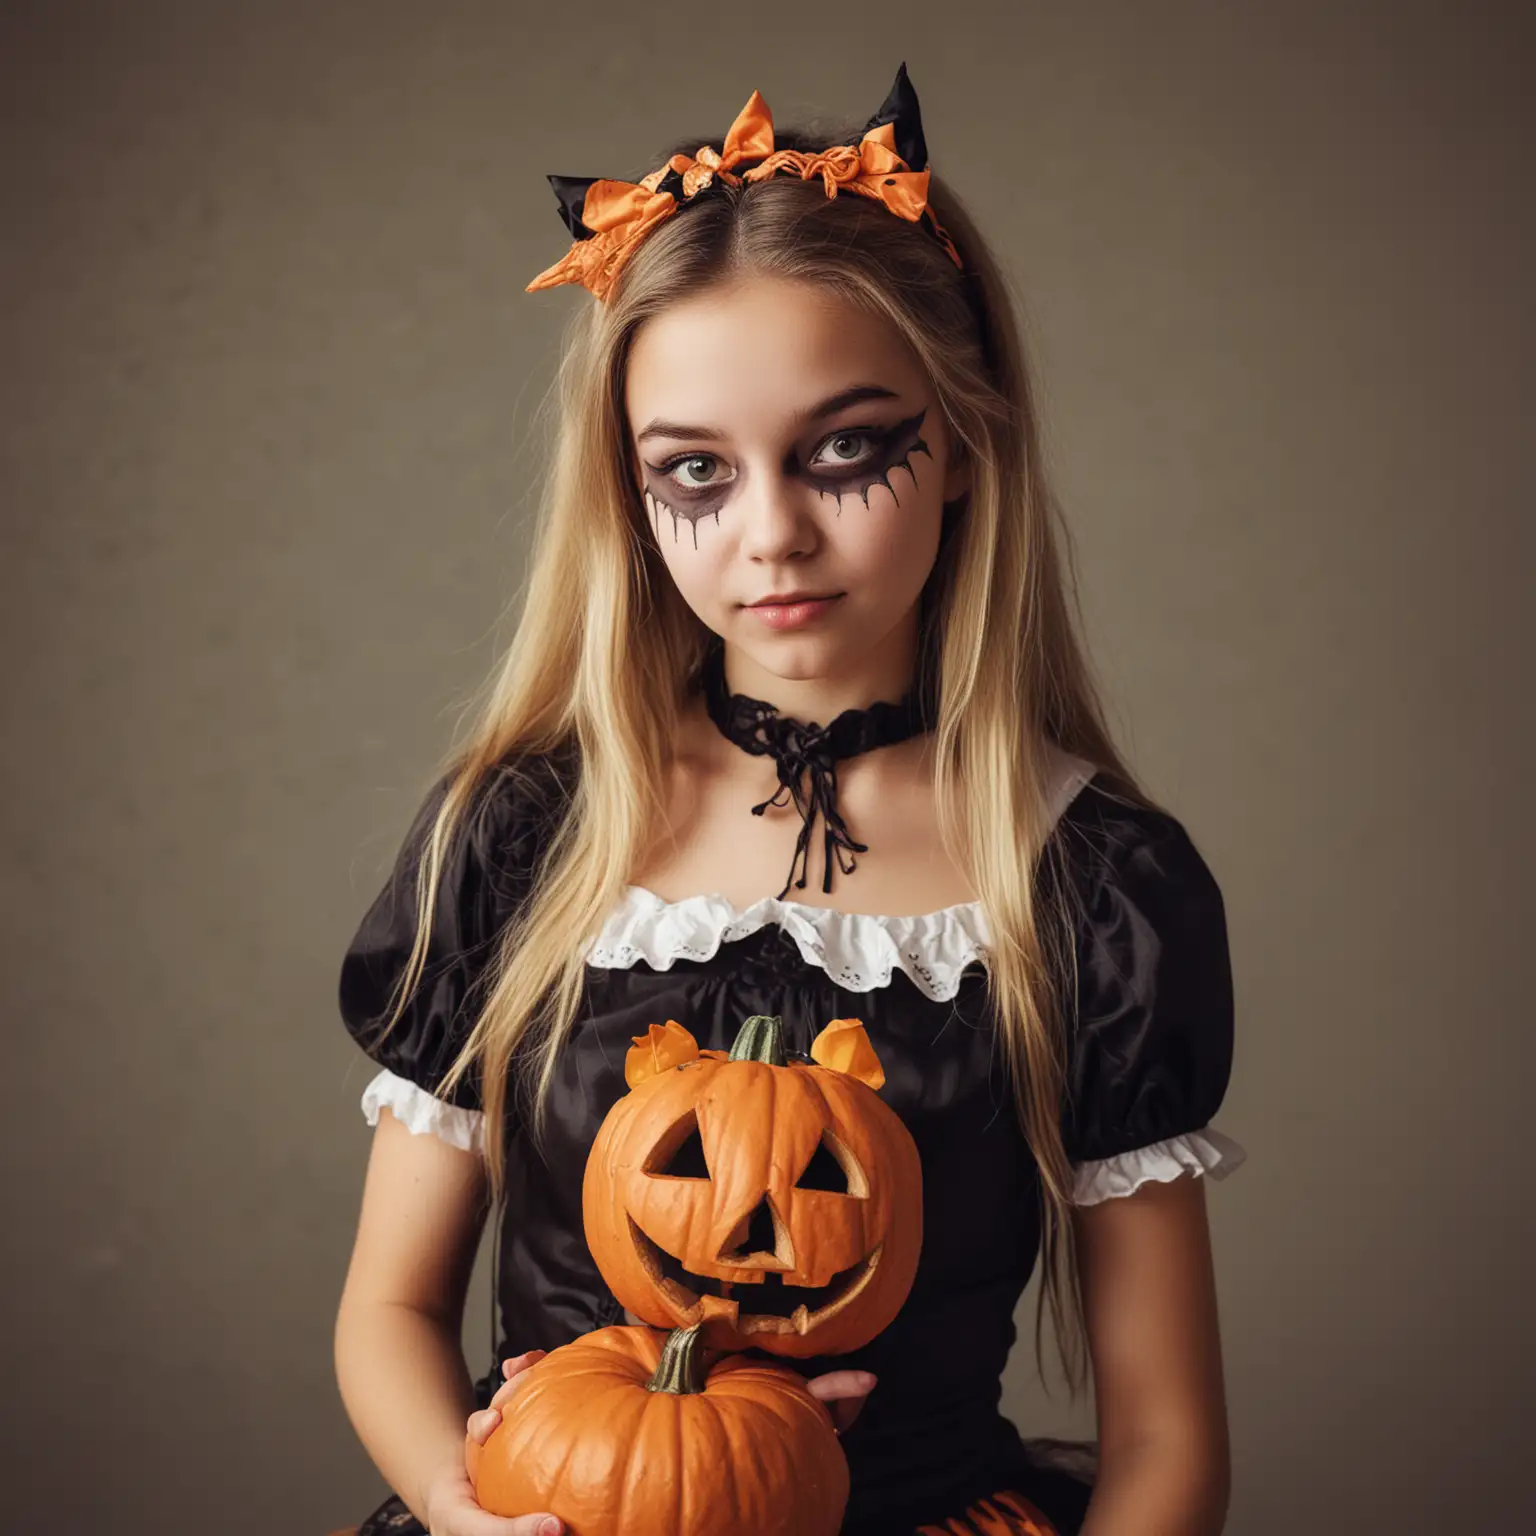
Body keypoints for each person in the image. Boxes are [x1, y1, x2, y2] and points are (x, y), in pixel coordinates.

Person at [332, 62, 1246, 1536]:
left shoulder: (1093, 887)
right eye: (695, 471)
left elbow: (1165, 1441)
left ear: (961, 446)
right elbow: (388, 1303)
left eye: (844, 451)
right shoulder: (520, 839)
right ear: (629, 497)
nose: (772, 535)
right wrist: (463, 1510)